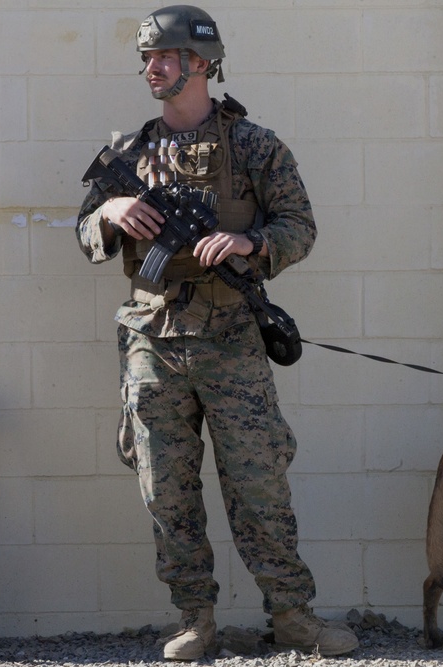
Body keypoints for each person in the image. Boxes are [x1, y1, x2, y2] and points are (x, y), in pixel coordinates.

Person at [76, 5, 358, 661]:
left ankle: (292, 618)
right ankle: (194, 620)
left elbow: (299, 227)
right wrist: (112, 211)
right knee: (166, 490)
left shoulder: (255, 147)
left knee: (260, 487)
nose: (151, 68)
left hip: (233, 339)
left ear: (201, 63)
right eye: (147, 58)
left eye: (164, 56)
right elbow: (87, 232)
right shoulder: (128, 154)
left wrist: (249, 240)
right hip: (153, 342)